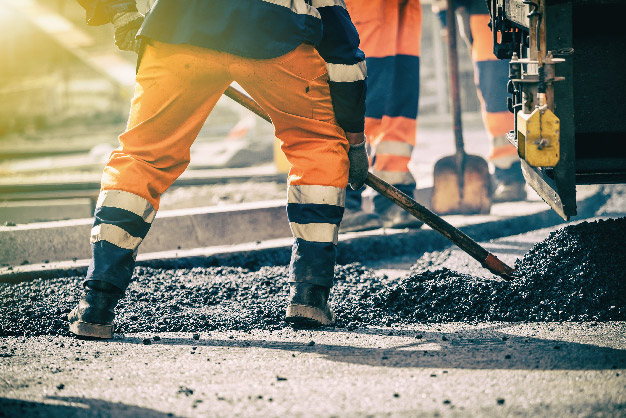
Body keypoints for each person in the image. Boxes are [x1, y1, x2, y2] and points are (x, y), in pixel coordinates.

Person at [69, 0, 369, 338]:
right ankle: (310, 296)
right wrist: (353, 139)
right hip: (275, 33)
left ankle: (97, 302)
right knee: (316, 146)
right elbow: (342, 48)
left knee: (143, 157)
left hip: (178, 27)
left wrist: (120, 11)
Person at [340, 0, 424, 232]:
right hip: (362, 7)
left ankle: (393, 197)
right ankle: (341, 202)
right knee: (357, 94)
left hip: (402, 8)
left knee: (399, 106)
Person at [433, 0, 526, 201]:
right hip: (486, 15)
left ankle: (539, 171)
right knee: (497, 98)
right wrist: (444, 16)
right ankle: (509, 174)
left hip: (535, 12)